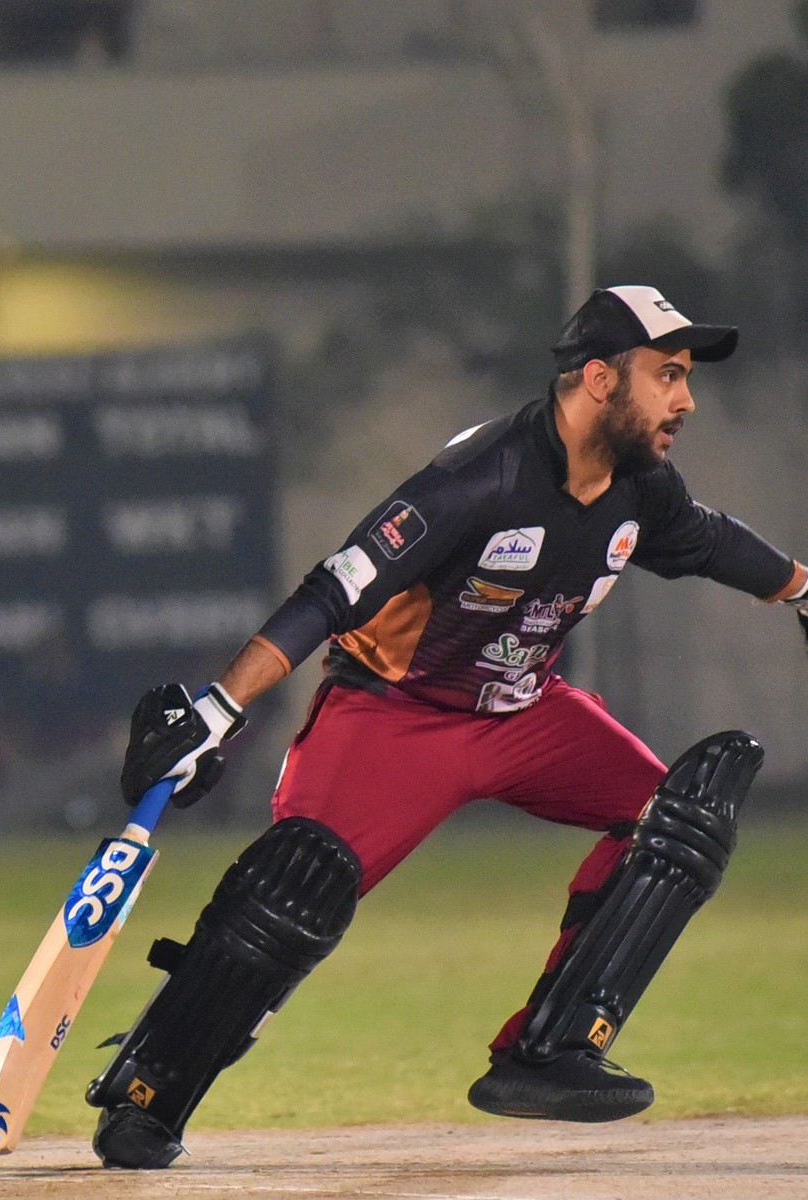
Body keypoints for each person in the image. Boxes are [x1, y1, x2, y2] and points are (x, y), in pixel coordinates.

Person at [85, 285, 808, 1168]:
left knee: (677, 820)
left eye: (685, 377)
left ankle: (548, 1051)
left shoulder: (643, 488)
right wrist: (220, 708)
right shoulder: (479, 479)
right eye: (667, 375)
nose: (684, 400)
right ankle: (148, 1089)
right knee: (289, 893)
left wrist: (803, 589)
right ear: (596, 380)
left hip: (523, 713)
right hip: (392, 716)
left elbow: (711, 540)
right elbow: (333, 590)